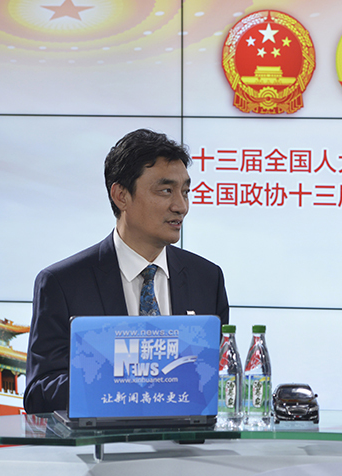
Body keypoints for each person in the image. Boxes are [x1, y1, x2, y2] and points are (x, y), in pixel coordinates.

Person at [24, 129, 230, 414]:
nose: (181, 206)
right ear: (121, 195)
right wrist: (126, 379)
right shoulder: (63, 283)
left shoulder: (206, 279)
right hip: (103, 442)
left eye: (185, 191)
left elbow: (215, 382)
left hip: (186, 441)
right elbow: (39, 393)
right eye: (166, 191)